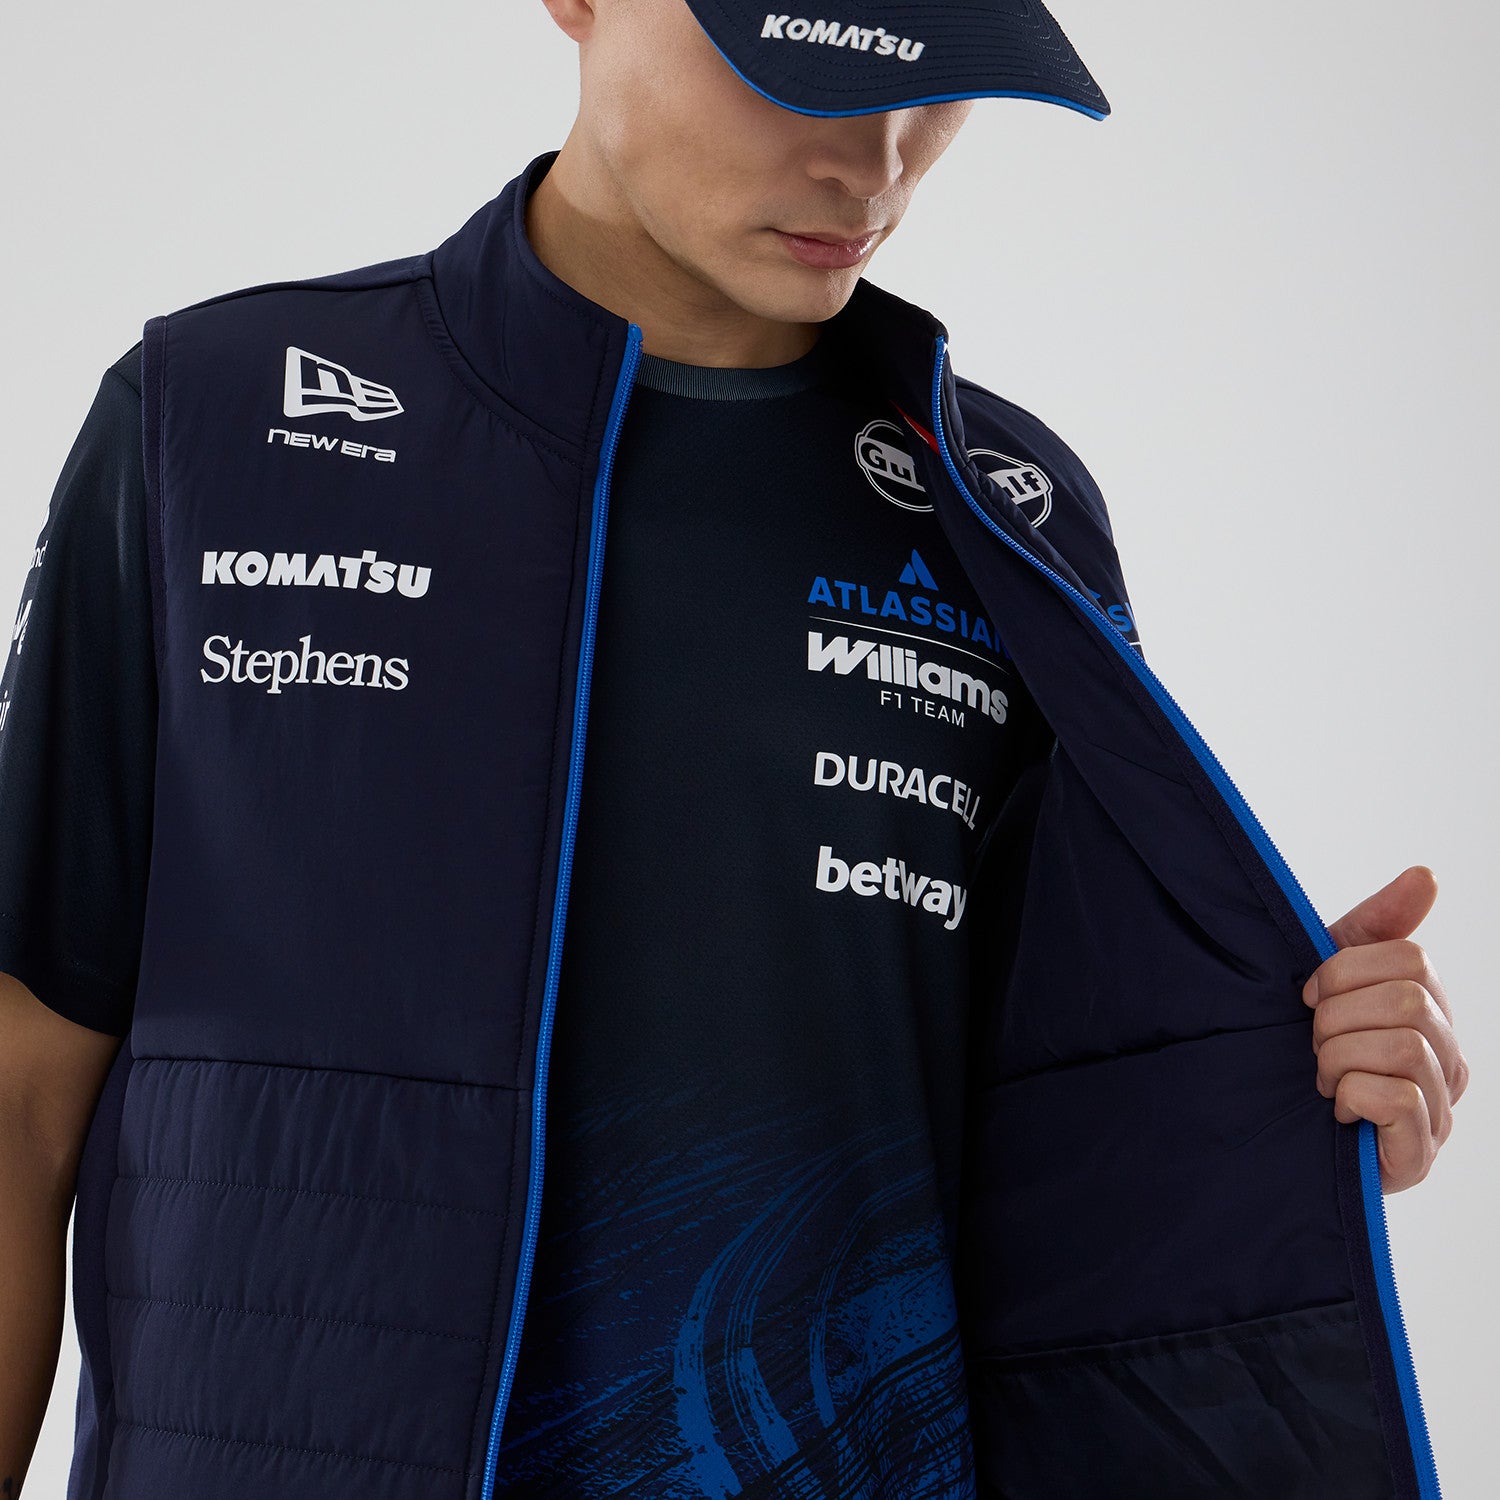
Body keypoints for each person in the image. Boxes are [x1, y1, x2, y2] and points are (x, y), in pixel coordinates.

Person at [0, 1, 1471, 1496]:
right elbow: (18, 1093)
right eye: (803, 71)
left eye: (938, 91)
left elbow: (1060, 1156)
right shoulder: (213, 420)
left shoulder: (1007, 511)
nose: (874, 166)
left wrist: (1284, 1110)